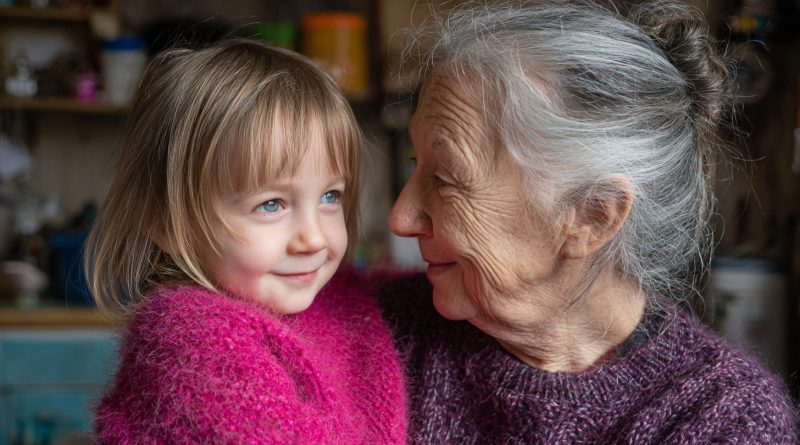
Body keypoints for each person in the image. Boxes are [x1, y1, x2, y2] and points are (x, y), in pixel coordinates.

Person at [376, 1, 799, 443]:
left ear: (592, 216)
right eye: (415, 164)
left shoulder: (725, 421)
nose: (400, 218)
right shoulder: (373, 331)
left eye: (445, 179)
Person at [85, 39, 406, 444]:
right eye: (271, 205)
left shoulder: (330, 296)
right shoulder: (193, 344)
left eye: (330, 196)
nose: (313, 238)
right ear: (167, 226)